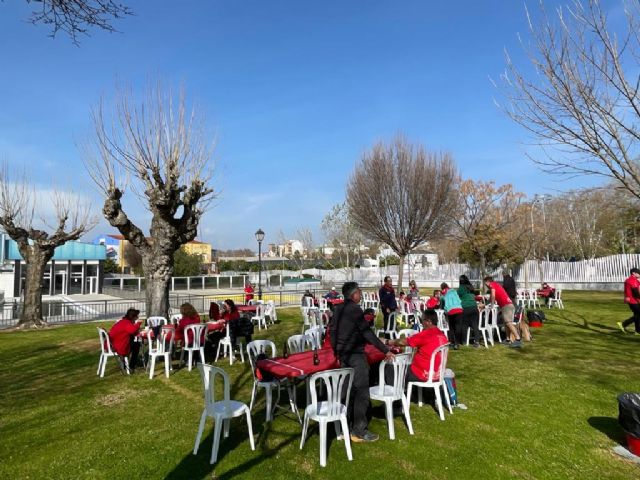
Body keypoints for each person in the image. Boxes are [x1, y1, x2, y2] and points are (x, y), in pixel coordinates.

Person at [331, 281, 394, 443]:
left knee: (348, 391)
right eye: (359, 292)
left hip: (343, 355)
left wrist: (336, 351)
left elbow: (333, 332)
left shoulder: (338, 308)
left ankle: (346, 426)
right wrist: (385, 350)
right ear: (353, 294)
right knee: (362, 392)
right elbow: (368, 334)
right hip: (355, 355)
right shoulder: (355, 309)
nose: (361, 294)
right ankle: (359, 430)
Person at [386, 309, 449, 384]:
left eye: (422, 320)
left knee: (390, 367)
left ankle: (395, 391)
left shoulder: (426, 334)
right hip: (438, 375)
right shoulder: (442, 335)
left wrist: (387, 341)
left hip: (422, 374)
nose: (421, 323)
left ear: (428, 321)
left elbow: (403, 342)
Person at [484, 276, 521, 348]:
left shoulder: (492, 285)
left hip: (506, 306)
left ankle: (518, 339)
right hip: (508, 305)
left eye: (485, 283)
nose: (485, 285)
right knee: (506, 323)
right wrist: (485, 304)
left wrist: (492, 305)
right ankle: (508, 339)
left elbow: (493, 296)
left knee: (509, 323)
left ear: (487, 282)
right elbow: (491, 298)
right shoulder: (496, 285)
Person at [458, 275, 481, 348]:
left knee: (464, 324)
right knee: (475, 325)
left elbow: (458, 296)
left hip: (465, 307)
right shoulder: (471, 287)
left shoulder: (461, 288)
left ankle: (464, 341)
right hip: (474, 306)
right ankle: (477, 342)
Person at [440, 283, 464, 349]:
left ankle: (452, 342)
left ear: (442, 288)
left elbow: (442, 303)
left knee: (451, 327)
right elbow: (459, 300)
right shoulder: (454, 292)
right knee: (458, 327)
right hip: (459, 309)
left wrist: (445, 310)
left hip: (451, 311)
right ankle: (457, 343)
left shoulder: (444, 294)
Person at [618, 268, 640, 334]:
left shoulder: (633, 280)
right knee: (638, 315)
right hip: (633, 301)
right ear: (633, 273)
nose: (639, 274)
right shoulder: (632, 280)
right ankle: (623, 324)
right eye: (638, 273)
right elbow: (635, 292)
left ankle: (638, 331)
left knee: (637, 315)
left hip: (634, 300)